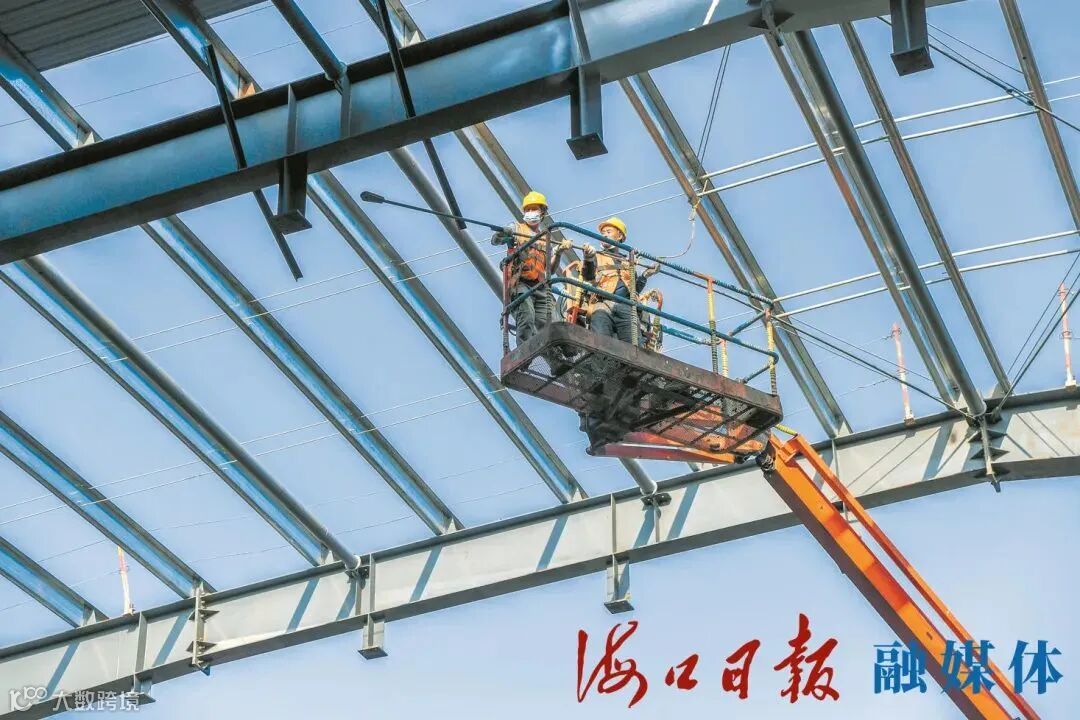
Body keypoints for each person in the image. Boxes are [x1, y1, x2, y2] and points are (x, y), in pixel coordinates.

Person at [492, 191, 572, 346]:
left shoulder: (545, 238)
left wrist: (559, 253)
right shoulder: (516, 228)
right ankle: (525, 352)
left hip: (540, 286)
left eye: (534, 209)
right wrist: (504, 233)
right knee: (527, 317)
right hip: (521, 283)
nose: (530, 212)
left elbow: (550, 270)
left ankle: (557, 356)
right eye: (527, 209)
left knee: (550, 323)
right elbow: (495, 240)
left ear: (542, 212)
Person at [581, 217, 659, 345]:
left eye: (608, 232)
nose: (604, 235)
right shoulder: (597, 255)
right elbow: (588, 277)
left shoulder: (628, 261)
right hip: (602, 303)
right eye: (603, 233)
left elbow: (633, 290)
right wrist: (588, 259)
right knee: (600, 342)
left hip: (626, 306)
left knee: (634, 346)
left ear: (620, 236)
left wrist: (645, 275)